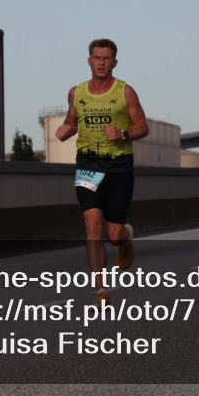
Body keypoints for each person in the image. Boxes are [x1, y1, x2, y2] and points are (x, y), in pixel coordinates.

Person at [56, 38, 149, 306]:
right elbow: (72, 122)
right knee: (92, 225)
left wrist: (123, 133)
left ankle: (126, 239)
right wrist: (65, 130)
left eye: (106, 58)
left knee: (114, 234)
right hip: (88, 163)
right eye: (97, 58)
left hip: (119, 165)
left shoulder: (125, 92)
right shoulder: (77, 93)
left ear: (114, 62)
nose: (101, 62)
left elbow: (143, 126)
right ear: (89, 61)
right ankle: (101, 290)